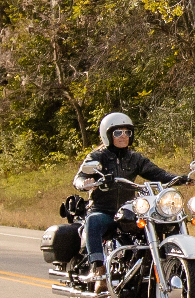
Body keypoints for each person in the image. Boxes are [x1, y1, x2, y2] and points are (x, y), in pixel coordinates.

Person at [73, 112, 172, 271]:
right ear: (108, 135)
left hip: (127, 211)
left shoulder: (135, 158)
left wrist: (181, 178)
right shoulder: (98, 156)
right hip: (103, 210)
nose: (123, 136)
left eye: (127, 132)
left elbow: (158, 174)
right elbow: (79, 177)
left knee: (155, 222)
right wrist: (85, 183)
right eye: (118, 132)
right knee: (93, 220)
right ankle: (98, 269)